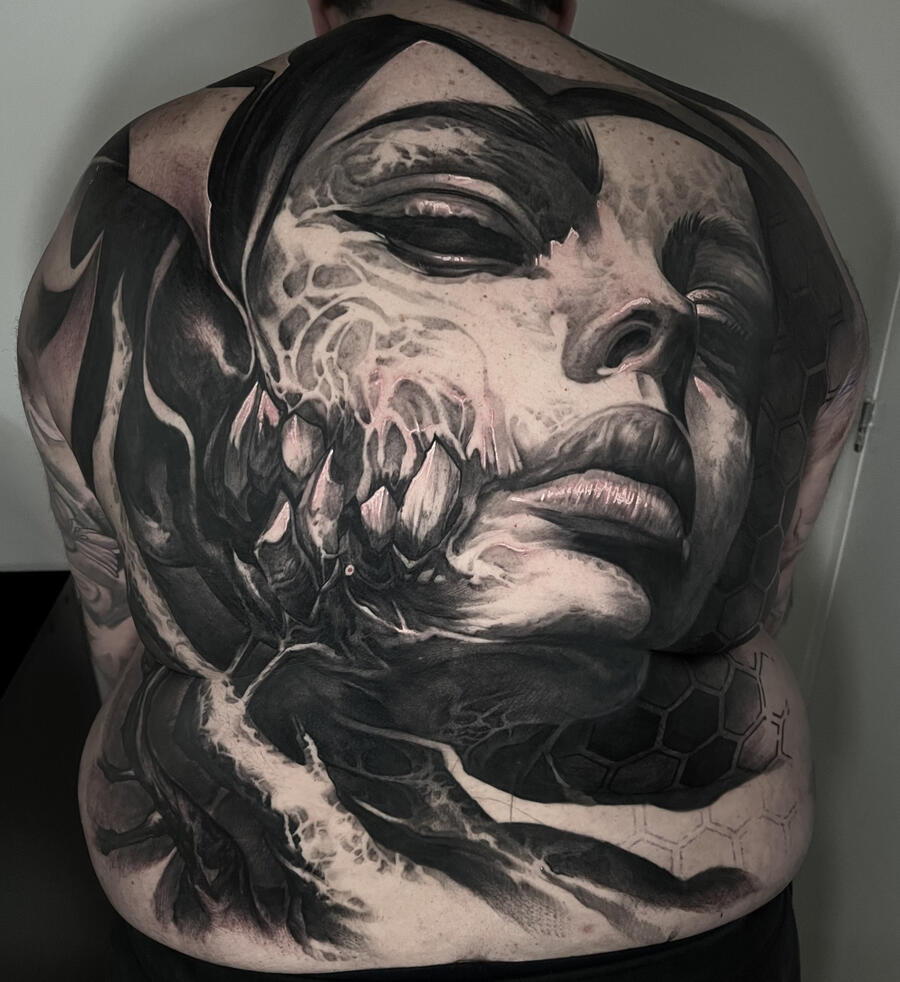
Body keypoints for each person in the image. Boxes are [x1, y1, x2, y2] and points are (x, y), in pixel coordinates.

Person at [16, 0, 868, 978]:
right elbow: (769, 600)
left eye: (721, 313)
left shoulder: (142, 151)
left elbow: (117, 639)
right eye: (453, 227)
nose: (661, 315)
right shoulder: (773, 168)